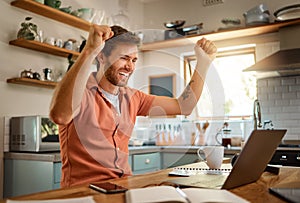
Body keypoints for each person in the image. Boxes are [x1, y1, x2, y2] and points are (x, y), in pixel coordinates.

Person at [49, 24, 217, 187]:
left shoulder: (132, 97)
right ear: (101, 56)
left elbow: (184, 106)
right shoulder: (80, 92)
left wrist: (203, 63)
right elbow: (60, 116)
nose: (130, 66)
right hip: (83, 192)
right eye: (123, 58)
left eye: (134, 60)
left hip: (123, 187)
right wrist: (89, 51)